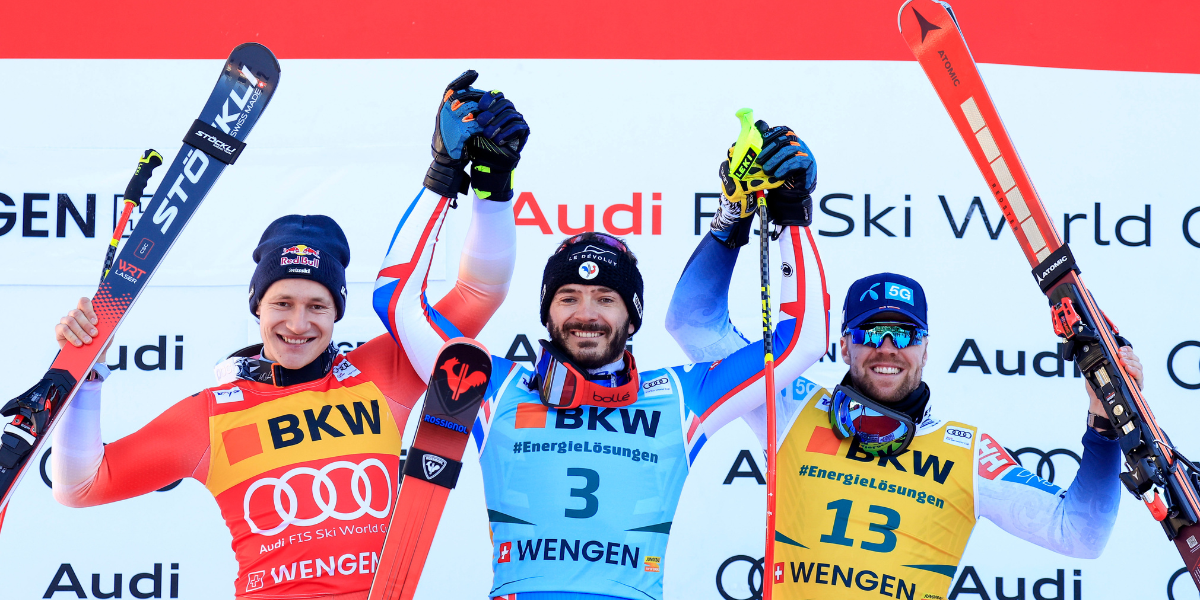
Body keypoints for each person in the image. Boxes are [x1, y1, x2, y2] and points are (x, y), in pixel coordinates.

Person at [49, 72, 526, 600]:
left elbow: (479, 292)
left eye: (317, 306)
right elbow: (81, 487)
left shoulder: (381, 374)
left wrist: (492, 189)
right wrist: (84, 382)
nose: (298, 325)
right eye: (282, 304)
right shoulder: (211, 417)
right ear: (257, 306)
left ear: (337, 312)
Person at [666, 128, 1133, 599]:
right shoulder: (791, 405)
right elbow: (692, 325)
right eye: (870, 333)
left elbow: (1080, 534)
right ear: (844, 346)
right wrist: (732, 219)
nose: (887, 347)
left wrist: (1103, 425)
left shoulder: (968, 453)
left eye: (905, 334)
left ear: (925, 350)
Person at [383, 104, 828, 598]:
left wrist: (791, 213)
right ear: (546, 314)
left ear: (632, 317)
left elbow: (803, 340)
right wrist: (444, 175)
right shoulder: (491, 386)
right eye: (568, 298)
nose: (586, 313)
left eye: (605, 298)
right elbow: (396, 303)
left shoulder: (681, 398)